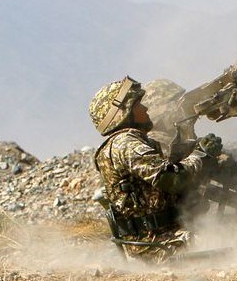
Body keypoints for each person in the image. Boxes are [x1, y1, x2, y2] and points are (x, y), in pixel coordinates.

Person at [90, 76, 220, 261]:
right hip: (158, 246)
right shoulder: (126, 143)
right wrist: (200, 155)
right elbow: (173, 180)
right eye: (138, 105)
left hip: (158, 241)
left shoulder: (124, 143)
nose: (145, 108)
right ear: (124, 113)